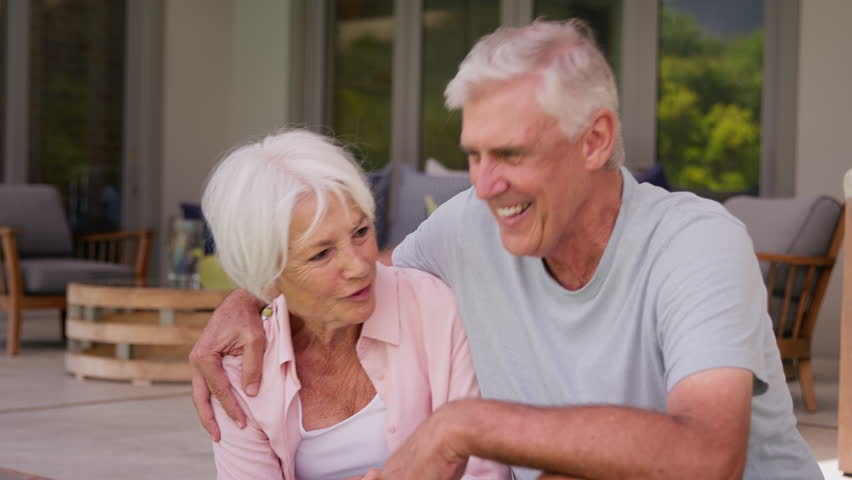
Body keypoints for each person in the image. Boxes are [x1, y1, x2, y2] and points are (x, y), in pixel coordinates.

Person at [191, 20, 821, 479]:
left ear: (595, 140)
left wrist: (463, 426)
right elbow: (350, 273)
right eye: (474, 154)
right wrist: (249, 299)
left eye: (512, 154)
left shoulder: (696, 244)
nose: (484, 185)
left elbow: (708, 456)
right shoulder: (470, 226)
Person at [197, 129, 507, 479]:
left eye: (361, 232)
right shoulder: (243, 371)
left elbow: (482, 468)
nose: (360, 266)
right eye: (322, 253)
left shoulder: (433, 308)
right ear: (267, 276)